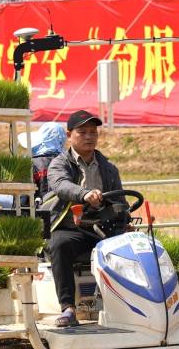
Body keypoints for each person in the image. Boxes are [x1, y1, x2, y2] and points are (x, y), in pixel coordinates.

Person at [46, 109, 125, 327]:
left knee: (134, 248)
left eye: (93, 132)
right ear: (69, 134)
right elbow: (60, 185)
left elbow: (120, 199)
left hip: (103, 227)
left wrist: (123, 219)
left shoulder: (108, 168)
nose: (89, 136)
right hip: (70, 226)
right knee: (59, 244)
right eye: (82, 132)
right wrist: (84, 194)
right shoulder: (59, 163)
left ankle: (129, 306)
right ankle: (68, 308)